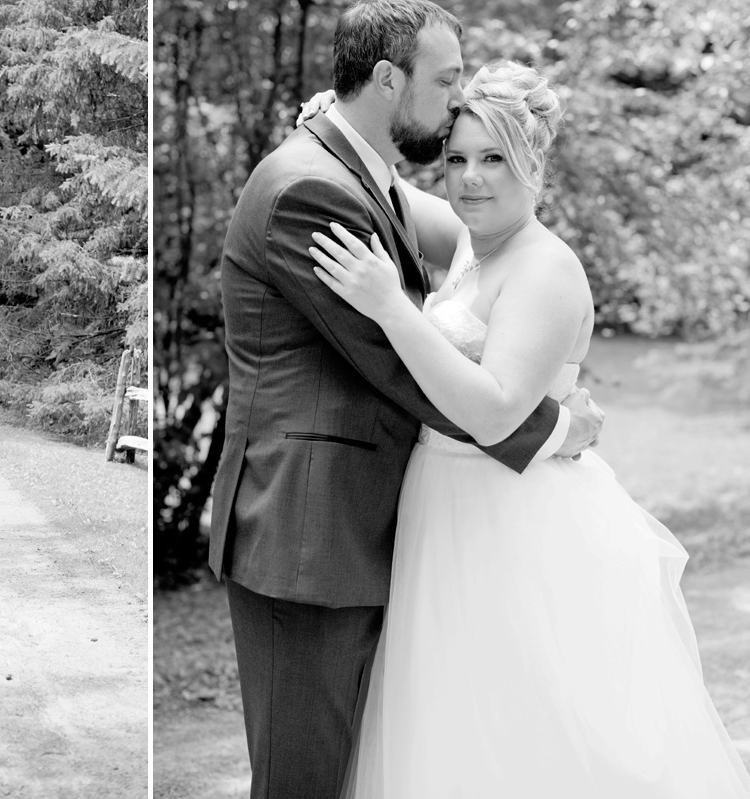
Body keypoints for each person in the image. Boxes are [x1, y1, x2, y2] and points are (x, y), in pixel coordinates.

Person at [309, 61, 750, 797]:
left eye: (495, 160)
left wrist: (393, 308)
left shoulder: (545, 269)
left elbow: (491, 410)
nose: (472, 179)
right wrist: (342, 119)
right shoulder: (475, 242)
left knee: (524, 720)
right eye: (457, 159)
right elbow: (389, 192)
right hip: (443, 510)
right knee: (451, 720)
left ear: (533, 163)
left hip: (515, 524)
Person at [207, 0, 603, 799]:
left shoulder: (362, 172)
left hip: (386, 529)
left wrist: (335, 120)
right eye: (446, 81)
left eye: (490, 154)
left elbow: (462, 233)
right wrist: (554, 429)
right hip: (307, 537)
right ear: (389, 80)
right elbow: (394, 362)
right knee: (303, 779)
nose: (456, 104)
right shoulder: (310, 188)